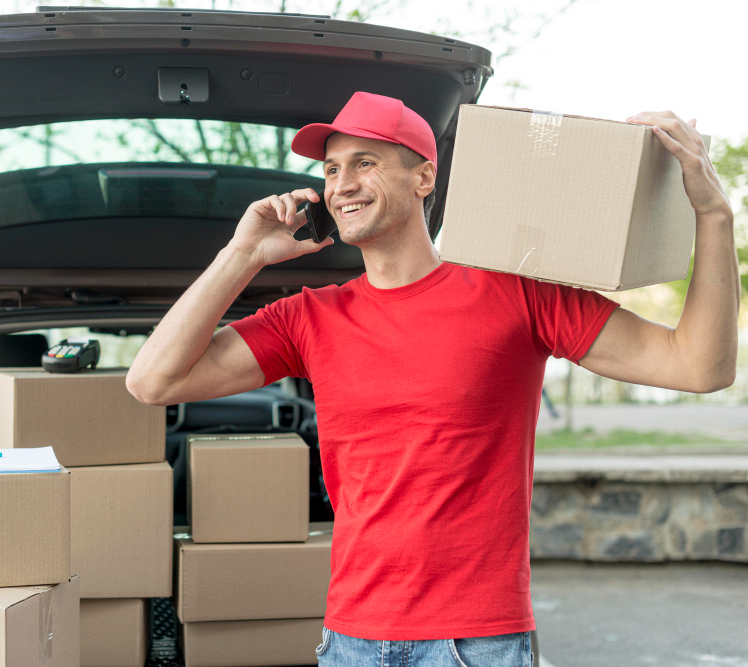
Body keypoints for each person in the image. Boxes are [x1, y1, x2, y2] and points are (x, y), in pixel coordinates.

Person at [126, 92, 737, 666]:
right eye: (332, 170)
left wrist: (712, 213)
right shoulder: (308, 317)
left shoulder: (518, 293)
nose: (342, 185)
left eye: (364, 162)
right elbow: (152, 382)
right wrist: (244, 253)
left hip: (476, 642)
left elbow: (697, 365)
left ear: (424, 178)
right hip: (353, 637)